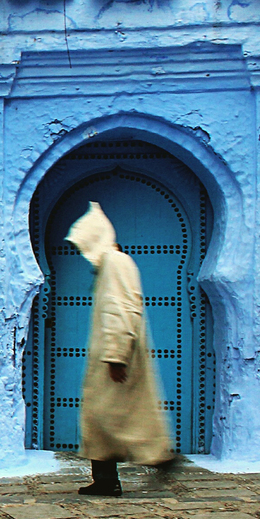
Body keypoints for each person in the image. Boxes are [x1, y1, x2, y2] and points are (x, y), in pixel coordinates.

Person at [65, 202, 176, 497]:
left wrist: (116, 355)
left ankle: (158, 457)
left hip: (117, 356)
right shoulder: (111, 265)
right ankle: (105, 479)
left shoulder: (115, 263)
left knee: (115, 417)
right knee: (102, 419)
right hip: (111, 354)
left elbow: (121, 310)